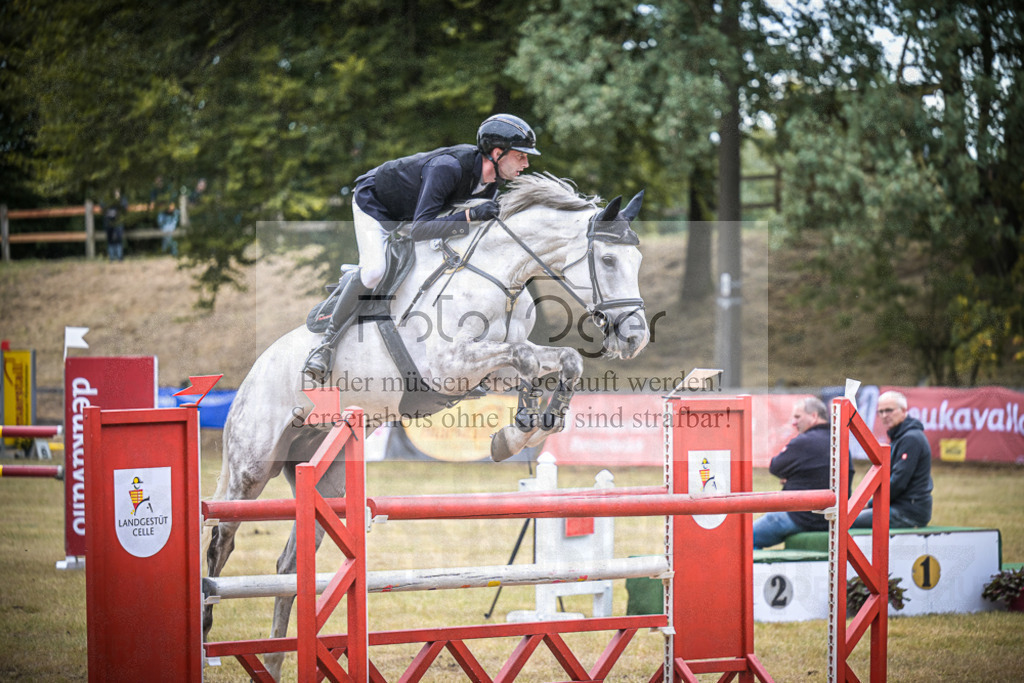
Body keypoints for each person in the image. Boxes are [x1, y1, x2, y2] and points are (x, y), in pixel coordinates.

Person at [302, 113, 540, 382]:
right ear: (498, 153)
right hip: (377, 207)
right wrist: (471, 217)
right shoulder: (447, 168)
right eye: (521, 156)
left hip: (414, 215)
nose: (526, 163)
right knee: (373, 272)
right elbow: (420, 230)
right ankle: (325, 346)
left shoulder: (490, 185)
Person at [753, 396, 854, 549]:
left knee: (743, 539)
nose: (794, 422)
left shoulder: (804, 441)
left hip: (800, 516)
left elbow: (775, 466)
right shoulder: (840, 443)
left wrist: (791, 476)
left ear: (814, 416)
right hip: (833, 519)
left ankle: (756, 573)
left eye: (798, 416)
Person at [852, 390, 933, 528]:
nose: (884, 415)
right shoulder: (900, 437)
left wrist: (870, 504)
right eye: (881, 412)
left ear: (904, 410)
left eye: (889, 410)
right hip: (900, 507)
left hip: (909, 512)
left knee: (849, 521)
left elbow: (898, 482)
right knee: (848, 519)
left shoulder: (910, 439)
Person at [101, 189, 128, 262]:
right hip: (108, 222)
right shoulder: (106, 198)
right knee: (110, 240)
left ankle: (120, 257)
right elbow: (103, 208)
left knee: (119, 239)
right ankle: (111, 258)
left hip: (118, 221)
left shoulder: (122, 198)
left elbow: (125, 208)